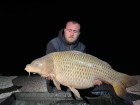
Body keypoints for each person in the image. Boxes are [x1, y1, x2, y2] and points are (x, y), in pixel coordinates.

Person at [45, 20, 111, 96]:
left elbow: (84, 70)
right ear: (65, 30)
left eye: (75, 31)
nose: (72, 34)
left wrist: (92, 82)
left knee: (107, 87)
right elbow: (48, 64)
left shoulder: (82, 47)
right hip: (58, 85)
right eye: (69, 30)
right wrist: (48, 74)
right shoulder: (53, 43)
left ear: (79, 34)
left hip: (76, 81)